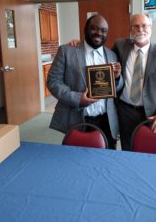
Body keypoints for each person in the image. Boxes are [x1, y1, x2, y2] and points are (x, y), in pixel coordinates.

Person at [47, 14, 123, 149]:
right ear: (85, 29)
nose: (99, 33)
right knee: (77, 160)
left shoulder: (112, 55)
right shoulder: (67, 51)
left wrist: (117, 78)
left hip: (107, 120)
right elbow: (53, 81)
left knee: (107, 160)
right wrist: (77, 98)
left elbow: (117, 88)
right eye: (94, 28)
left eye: (103, 30)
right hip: (77, 118)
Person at [112, 13, 156, 150]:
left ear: (151, 28)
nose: (140, 30)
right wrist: (80, 45)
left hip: (151, 114)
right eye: (136, 26)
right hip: (125, 110)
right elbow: (101, 53)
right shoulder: (120, 46)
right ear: (131, 29)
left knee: (149, 149)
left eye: (144, 26)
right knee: (127, 148)